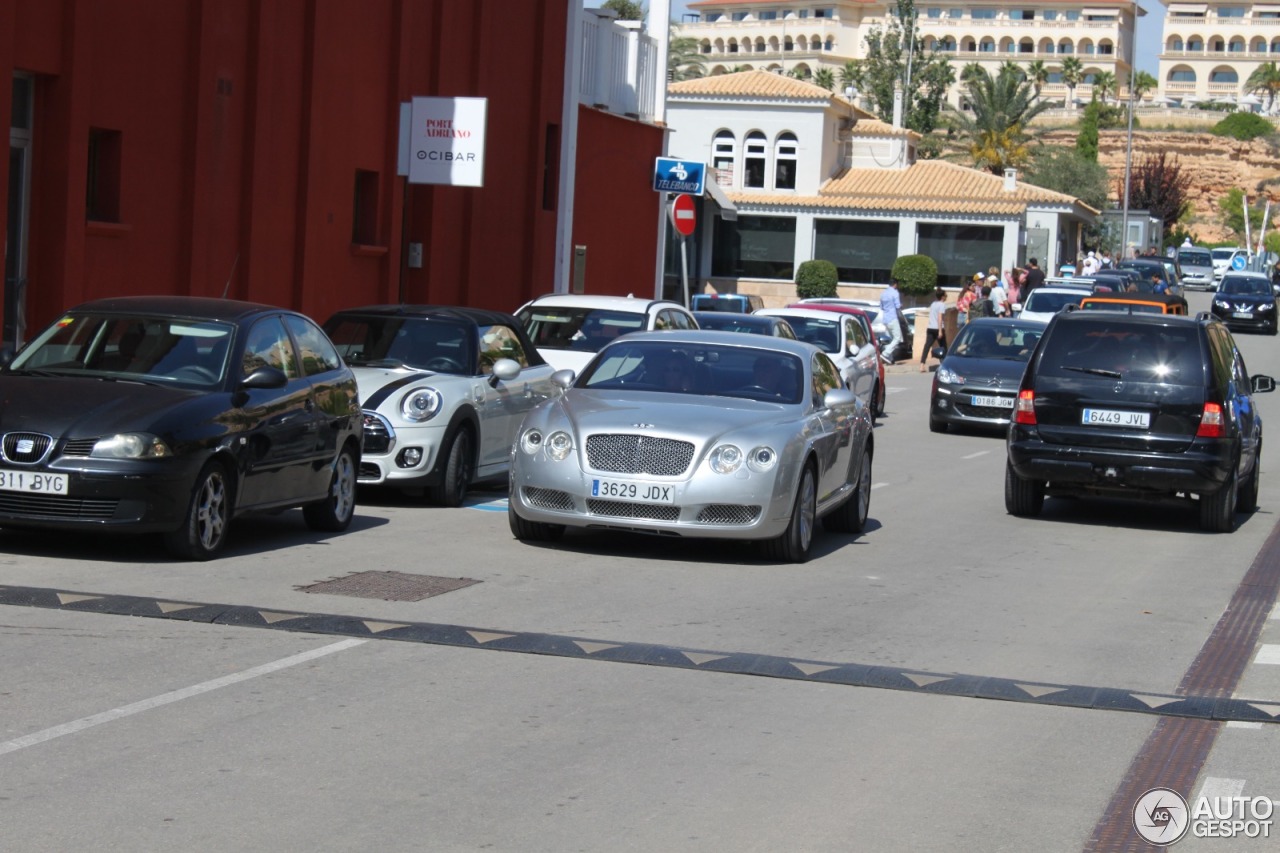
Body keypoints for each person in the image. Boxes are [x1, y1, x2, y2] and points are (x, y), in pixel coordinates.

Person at [920, 288, 948, 372]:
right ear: (942, 297)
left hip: (930, 328)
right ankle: (945, 364)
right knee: (944, 347)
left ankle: (922, 364)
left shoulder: (933, 304)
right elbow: (940, 318)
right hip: (938, 328)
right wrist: (940, 330)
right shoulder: (942, 305)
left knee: (927, 346)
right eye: (945, 295)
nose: (946, 297)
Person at [879, 277, 904, 364]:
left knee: (892, 339)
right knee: (897, 338)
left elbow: (881, 307)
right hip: (893, 318)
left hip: (885, 319)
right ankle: (885, 354)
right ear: (895, 284)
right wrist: (901, 305)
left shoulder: (883, 293)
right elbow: (897, 306)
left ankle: (890, 358)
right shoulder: (895, 293)